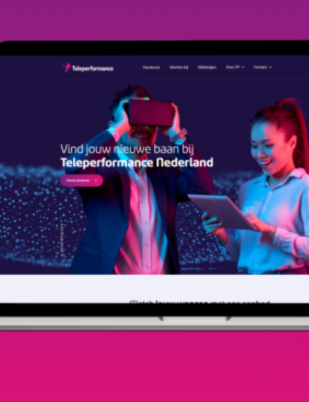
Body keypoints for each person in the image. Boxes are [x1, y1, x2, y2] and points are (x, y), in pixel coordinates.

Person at [64, 86, 214, 274]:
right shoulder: (98, 170)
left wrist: (178, 136)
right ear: (115, 124)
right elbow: (74, 168)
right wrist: (118, 129)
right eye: (132, 117)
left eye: (148, 118)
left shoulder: (166, 174)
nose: (142, 126)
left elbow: (203, 188)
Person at [201, 99, 309, 274]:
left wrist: (271, 231)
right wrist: (221, 235)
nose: (259, 154)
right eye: (254, 146)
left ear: (292, 143)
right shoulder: (247, 189)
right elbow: (243, 255)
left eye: (268, 145)